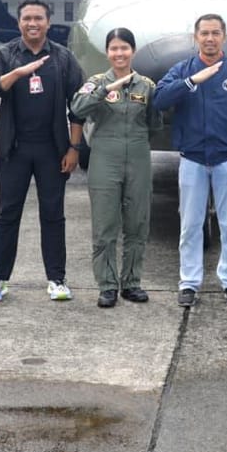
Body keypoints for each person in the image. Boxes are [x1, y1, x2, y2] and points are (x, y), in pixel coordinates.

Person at [0, 0, 85, 303]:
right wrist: (17, 73)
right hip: (15, 150)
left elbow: (79, 105)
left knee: (53, 215)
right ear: (19, 22)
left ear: (48, 23)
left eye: (38, 18)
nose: (32, 23)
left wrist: (74, 147)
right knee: (7, 214)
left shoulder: (63, 57)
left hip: (53, 151)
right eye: (27, 18)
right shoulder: (6, 54)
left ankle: (57, 279)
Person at [153, 13, 227, 309]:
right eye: (204, 33)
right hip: (193, 159)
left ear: (224, 36)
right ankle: (189, 282)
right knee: (190, 224)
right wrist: (190, 82)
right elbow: (159, 99)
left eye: (215, 33)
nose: (210, 38)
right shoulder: (183, 69)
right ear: (195, 37)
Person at [70, 28, 162, 308]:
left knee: (137, 223)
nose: (119, 53)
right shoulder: (96, 82)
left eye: (124, 48)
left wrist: (136, 142)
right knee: (105, 225)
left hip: (138, 157)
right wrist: (105, 91)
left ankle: (132, 282)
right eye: (114, 48)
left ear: (133, 51)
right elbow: (77, 108)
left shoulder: (146, 85)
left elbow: (154, 123)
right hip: (104, 158)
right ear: (107, 52)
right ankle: (107, 285)